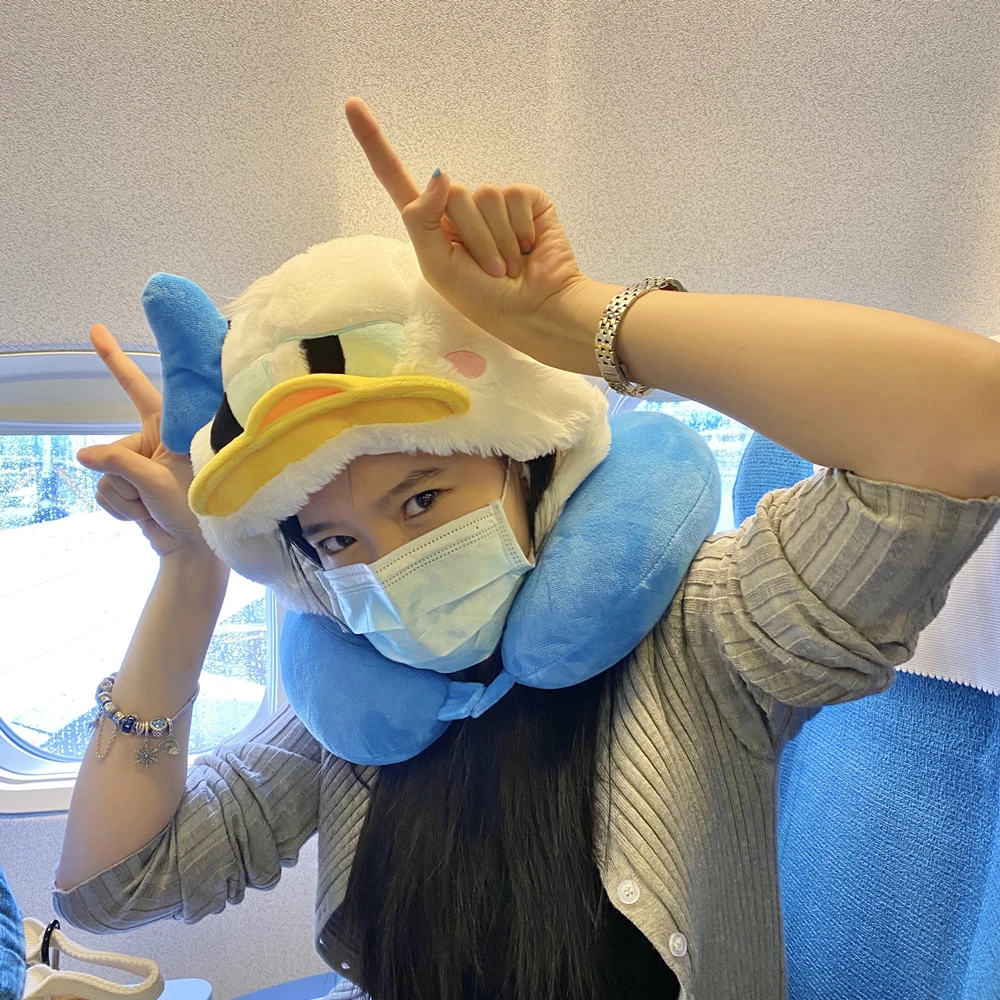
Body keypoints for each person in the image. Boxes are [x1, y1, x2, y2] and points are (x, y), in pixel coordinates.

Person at [52, 97, 1000, 1000]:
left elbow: (965, 420)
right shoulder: (358, 693)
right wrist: (189, 570)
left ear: (526, 464)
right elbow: (115, 886)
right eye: (338, 539)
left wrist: (576, 320)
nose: (390, 563)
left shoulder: (702, 633)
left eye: (422, 498)